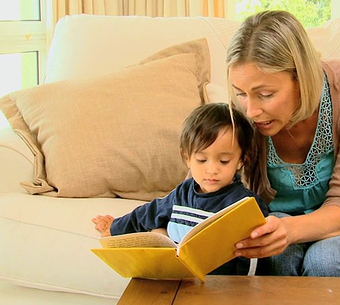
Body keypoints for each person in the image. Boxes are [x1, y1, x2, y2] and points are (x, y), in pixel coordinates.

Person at [227, 10, 340, 277]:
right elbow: (201, 182)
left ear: (301, 77)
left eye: (266, 94)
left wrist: (290, 230)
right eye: (240, 94)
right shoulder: (242, 111)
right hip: (278, 220)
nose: (251, 111)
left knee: (325, 261)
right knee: (274, 258)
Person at [92, 102, 269, 276]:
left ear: (241, 160)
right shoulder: (182, 193)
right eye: (201, 160)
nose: (212, 170)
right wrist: (116, 227)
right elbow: (150, 212)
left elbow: (263, 240)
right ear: (187, 158)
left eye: (224, 161)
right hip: (179, 277)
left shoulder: (245, 202)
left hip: (224, 286)